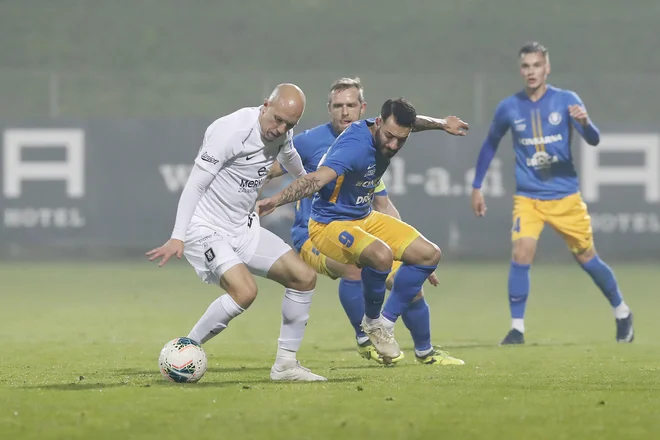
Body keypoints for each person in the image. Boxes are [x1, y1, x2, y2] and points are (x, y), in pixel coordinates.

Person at [269, 77, 468, 365]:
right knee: (356, 268)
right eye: (338, 106)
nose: (344, 111)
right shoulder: (321, 142)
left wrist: (409, 252)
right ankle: (366, 338)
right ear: (329, 108)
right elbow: (281, 170)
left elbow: (383, 202)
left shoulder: (380, 142)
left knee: (414, 269)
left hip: (362, 221)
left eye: (350, 105)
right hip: (316, 232)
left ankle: (423, 350)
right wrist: (263, 197)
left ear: (364, 110)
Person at [147, 84, 327, 381]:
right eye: (277, 119)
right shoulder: (230, 131)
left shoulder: (283, 132)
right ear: (265, 104)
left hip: (242, 227)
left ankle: (285, 366)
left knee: (304, 278)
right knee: (244, 291)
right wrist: (178, 235)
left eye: (289, 125)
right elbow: (195, 185)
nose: (280, 128)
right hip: (205, 227)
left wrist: (305, 179)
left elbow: (289, 154)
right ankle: (183, 351)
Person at [470, 42, 634, 345]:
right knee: (521, 253)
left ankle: (622, 312)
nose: (531, 71)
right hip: (528, 198)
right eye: (526, 66)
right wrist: (477, 185)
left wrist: (585, 123)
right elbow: (490, 143)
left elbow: (593, 140)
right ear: (521, 70)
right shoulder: (509, 107)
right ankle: (517, 328)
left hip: (565, 197)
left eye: (536, 65)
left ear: (547, 68)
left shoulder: (566, 100)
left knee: (587, 258)